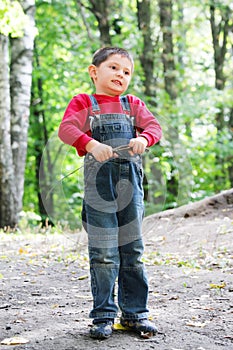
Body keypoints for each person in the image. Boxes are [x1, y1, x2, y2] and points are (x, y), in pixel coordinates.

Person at [58, 47, 162, 340]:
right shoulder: (84, 102)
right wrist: (90, 145)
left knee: (133, 250)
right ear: (94, 72)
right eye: (114, 68)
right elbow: (66, 129)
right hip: (98, 189)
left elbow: (154, 127)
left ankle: (135, 315)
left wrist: (144, 138)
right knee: (103, 253)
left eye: (126, 72)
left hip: (131, 186)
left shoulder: (133, 104)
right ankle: (103, 316)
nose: (120, 75)